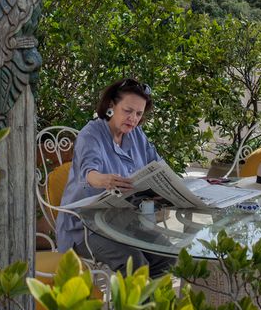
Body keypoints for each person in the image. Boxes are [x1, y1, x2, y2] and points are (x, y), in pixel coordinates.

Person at [56, 78, 175, 277]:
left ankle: (151, 307)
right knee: (135, 263)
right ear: (111, 106)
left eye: (139, 113)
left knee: (168, 256)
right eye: (128, 111)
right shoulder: (91, 134)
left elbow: (159, 167)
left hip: (124, 223)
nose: (134, 119)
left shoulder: (136, 134)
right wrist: (104, 180)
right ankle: (131, 307)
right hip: (85, 227)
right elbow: (89, 172)